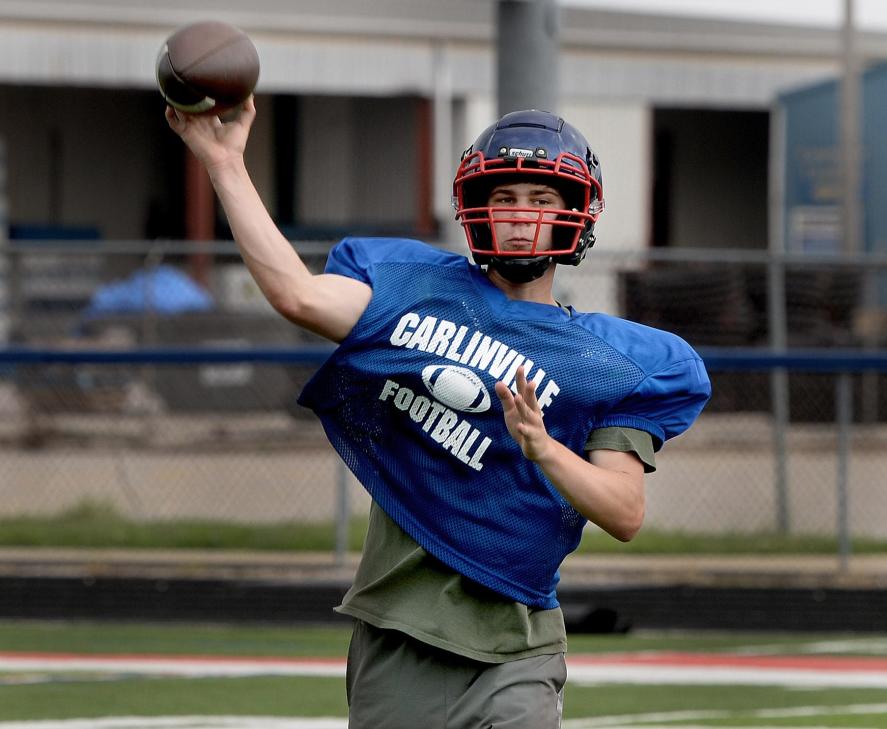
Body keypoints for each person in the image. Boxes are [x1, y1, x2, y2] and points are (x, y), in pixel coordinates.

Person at [166, 99, 711, 728]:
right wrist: (226, 163)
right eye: (506, 197)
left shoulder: (613, 360)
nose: (521, 216)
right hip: (398, 631)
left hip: (515, 644)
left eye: (541, 199)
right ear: (477, 207)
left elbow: (624, 512)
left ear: (574, 213)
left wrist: (543, 447)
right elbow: (296, 293)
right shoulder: (416, 292)